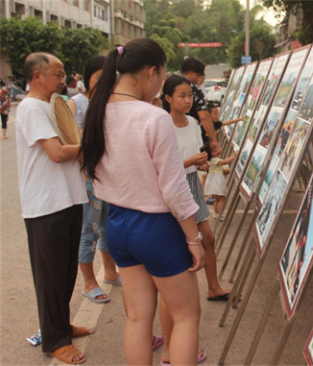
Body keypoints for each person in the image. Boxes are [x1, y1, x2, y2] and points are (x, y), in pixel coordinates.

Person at [81, 40, 205, 366]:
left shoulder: (97, 112)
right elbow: (174, 189)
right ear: (151, 72)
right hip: (156, 227)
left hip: (118, 224)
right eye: (162, 76)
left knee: (137, 319)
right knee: (185, 316)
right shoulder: (153, 117)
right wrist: (194, 239)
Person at [17, 52, 91, 364]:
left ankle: (61, 326)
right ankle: (54, 340)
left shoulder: (49, 107)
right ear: (37, 77)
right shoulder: (32, 107)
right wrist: (91, 146)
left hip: (66, 199)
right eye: (58, 75)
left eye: (63, 74)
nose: (64, 80)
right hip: (47, 205)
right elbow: (58, 153)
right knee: (50, 277)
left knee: (63, 273)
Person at [163, 75, 230, 302]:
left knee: (208, 238)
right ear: (168, 98)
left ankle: (213, 287)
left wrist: (201, 162)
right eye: (182, 96)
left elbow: (194, 154)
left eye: (190, 95)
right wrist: (191, 161)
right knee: (181, 243)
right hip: (175, 187)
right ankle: (179, 295)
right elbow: (163, 169)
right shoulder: (163, 125)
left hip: (192, 183)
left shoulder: (192, 123)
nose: (188, 100)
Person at [66, 56, 121, 304]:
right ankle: (89, 283)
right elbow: (70, 142)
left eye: (108, 76)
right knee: (89, 228)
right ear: (88, 77)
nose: (104, 81)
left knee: (108, 226)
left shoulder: (110, 104)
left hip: (109, 176)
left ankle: (110, 271)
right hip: (87, 176)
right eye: (99, 76)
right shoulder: (75, 104)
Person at [180, 58, 220, 154]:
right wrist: (214, 141)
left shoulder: (171, 86)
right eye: (199, 76)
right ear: (192, 73)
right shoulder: (192, 89)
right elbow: (204, 116)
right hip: (189, 136)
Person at [205, 149, 239, 220]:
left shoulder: (213, 160)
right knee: (221, 199)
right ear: (213, 152)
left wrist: (224, 172)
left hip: (215, 181)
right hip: (217, 182)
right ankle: (220, 214)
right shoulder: (213, 159)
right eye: (218, 147)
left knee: (217, 199)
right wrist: (234, 156)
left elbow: (219, 168)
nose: (220, 148)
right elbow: (225, 161)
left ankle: (216, 213)